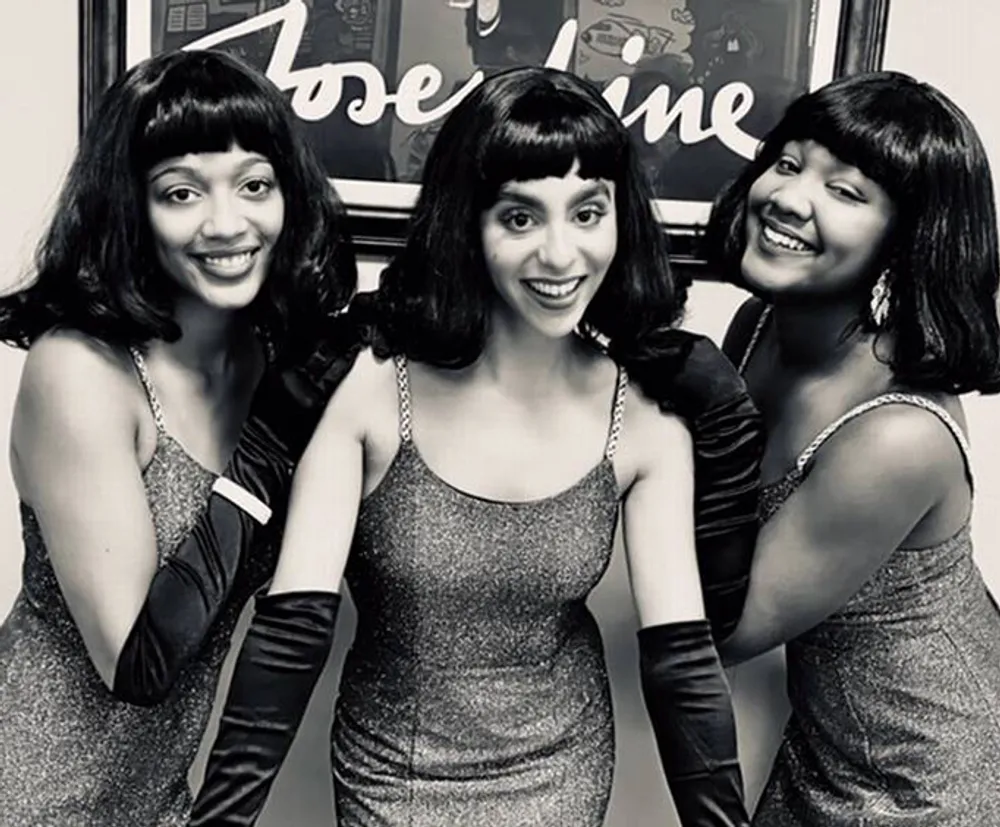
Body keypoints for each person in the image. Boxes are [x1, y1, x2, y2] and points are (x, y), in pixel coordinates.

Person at [190, 66, 764, 827]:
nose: (561, 255)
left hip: (560, 769)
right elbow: (292, 630)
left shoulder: (649, 417)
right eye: (520, 218)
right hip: (394, 767)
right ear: (469, 226)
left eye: (587, 212)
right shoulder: (370, 387)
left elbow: (682, 662)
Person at [0, 49, 359, 826]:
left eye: (255, 186)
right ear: (132, 207)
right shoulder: (81, 371)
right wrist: (271, 441)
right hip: (28, 793)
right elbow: (138, 663)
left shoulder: (270, 358)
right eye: (181, 193)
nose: (227, 224)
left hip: (160, 798)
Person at [705, 71, 1000, 825]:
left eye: (846, 191)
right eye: (790, 162)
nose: (790, 199)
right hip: (825, 749)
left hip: (928, 782)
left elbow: (727, 629)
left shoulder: (900, 434)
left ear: (906, 242)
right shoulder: (756, 326)